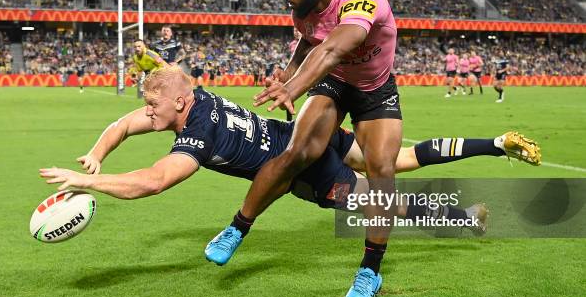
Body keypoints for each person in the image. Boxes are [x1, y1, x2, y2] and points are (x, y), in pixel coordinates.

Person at [39, 67, 541, 250]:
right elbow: (127, 123)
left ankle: (465, 217)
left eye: (153, 104)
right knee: (402, 159)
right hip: (304, 132)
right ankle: (494, 143)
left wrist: (88, 185)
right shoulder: (196, 97)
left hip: (304, 166)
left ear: (177, 105)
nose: (145, 111)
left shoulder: (197, 138)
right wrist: (96, 154)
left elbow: (152, 181)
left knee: (381, 202)